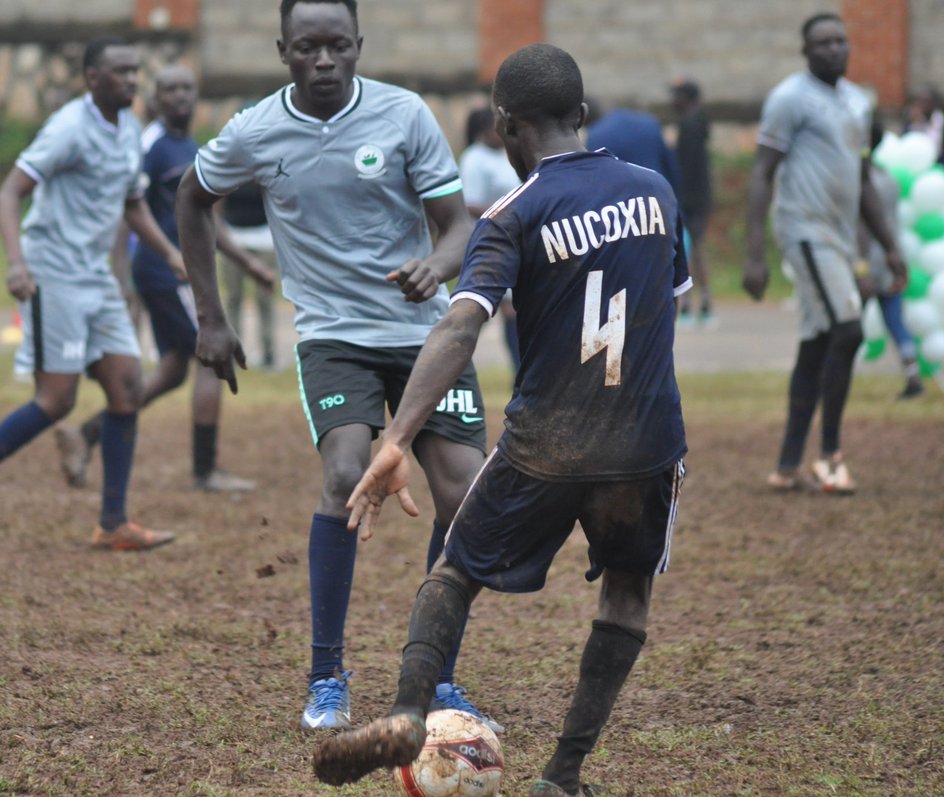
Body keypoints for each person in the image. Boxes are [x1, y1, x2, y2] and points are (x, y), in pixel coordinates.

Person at [311, 43, 689, 797]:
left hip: (547, 441)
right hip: (647, 441)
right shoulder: (655, 190)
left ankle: (410, 715)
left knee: (452, 571)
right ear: (580, 116)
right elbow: (665, 304)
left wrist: (395, 439)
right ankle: (563, 776)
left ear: (506, 127)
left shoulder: (513, 213)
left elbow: (458, 329)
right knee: (625, 594)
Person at [175, 0, 501, 734]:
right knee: (345, 473)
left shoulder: (404, 114)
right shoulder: (256, 131)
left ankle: (436, 675)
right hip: (334, 337)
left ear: (359, 46)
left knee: (464, 490)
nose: (324, 61)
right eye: (308, 48)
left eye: (338, 47)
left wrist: (436, 265)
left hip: (425, 332)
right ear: (282, 49)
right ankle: (327, 676)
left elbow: (458, 225)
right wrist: (212, 318)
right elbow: (192, 200)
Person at [0, 37, 179, 552]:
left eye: (135, 71)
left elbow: (132, 206)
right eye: (119, 72)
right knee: (58, 400)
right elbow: (9, 191)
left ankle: (113, 523)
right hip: (51, 271)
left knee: (127, 388)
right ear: (91, 78)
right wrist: (17, 264)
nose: (131, 80)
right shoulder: (67, 128)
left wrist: (171, 254)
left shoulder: (128, 131)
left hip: (95, 276)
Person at [53, 65, 275, 493]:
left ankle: (85, 435)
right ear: (154, 100)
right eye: (169, 90)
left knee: (174, 371)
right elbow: (126, 210)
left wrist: (249, 265)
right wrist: (122, 277)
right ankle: (206, 470)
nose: (179, 97)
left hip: (181, 272)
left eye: (186, 89)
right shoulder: (151, 145)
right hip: (164, 272)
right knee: (215, 357)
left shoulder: (189, 147)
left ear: (197, 96)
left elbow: (207, 219)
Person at [743, 12, 906, 494]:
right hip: (803, 229)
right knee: (849, 327)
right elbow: (760, 173)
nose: (834, 49)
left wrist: (890, 246)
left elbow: (862, 180)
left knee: (818, 341)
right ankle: (830, 456)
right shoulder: (789, 99)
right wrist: (755, 254)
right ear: (805, 51)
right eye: (823, 42)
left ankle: (788, 463)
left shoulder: (858, 102)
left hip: (839, 235)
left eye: (841, 41)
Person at [859, 121, 923, 400]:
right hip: (890, 259)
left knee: (845, 327)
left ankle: (830, 381)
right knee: (896, 322)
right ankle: (913, 377)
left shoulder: (859, 180)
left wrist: (860, 267)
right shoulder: (888, 178)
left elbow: (859, 228)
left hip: (863, 263)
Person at [459, 107, 522, 370]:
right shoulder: (474, 159)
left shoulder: (502, 156)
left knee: (501, 311)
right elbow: (468, 203)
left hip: (513, 239)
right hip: (491, 243)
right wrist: (508, 208)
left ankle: (521, 373)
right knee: (486, 311)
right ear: (485, 131)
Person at [221, 180, 280, 370]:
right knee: (233, 297)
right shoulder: (230, 167)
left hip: (264, 239)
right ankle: (234, 353)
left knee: (265, 298)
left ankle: (268, 355)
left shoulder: (265, 166)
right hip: (233, 240)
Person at [671, 78, 715, 327]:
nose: (673, 101)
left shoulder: (690, 126)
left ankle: (694, 304)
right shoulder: (696, 123)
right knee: (694, 249)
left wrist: (682, 198)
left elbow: (688, 169)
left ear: (688, 99)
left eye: (677, 96)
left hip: (691, 199)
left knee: (692, 250)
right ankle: (701, 302)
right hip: (697, 197)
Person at [585, 100, 678, 190]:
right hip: (661, 191)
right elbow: (670, 165)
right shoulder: (648, 122)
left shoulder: (596, 137)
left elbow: (600, 180)